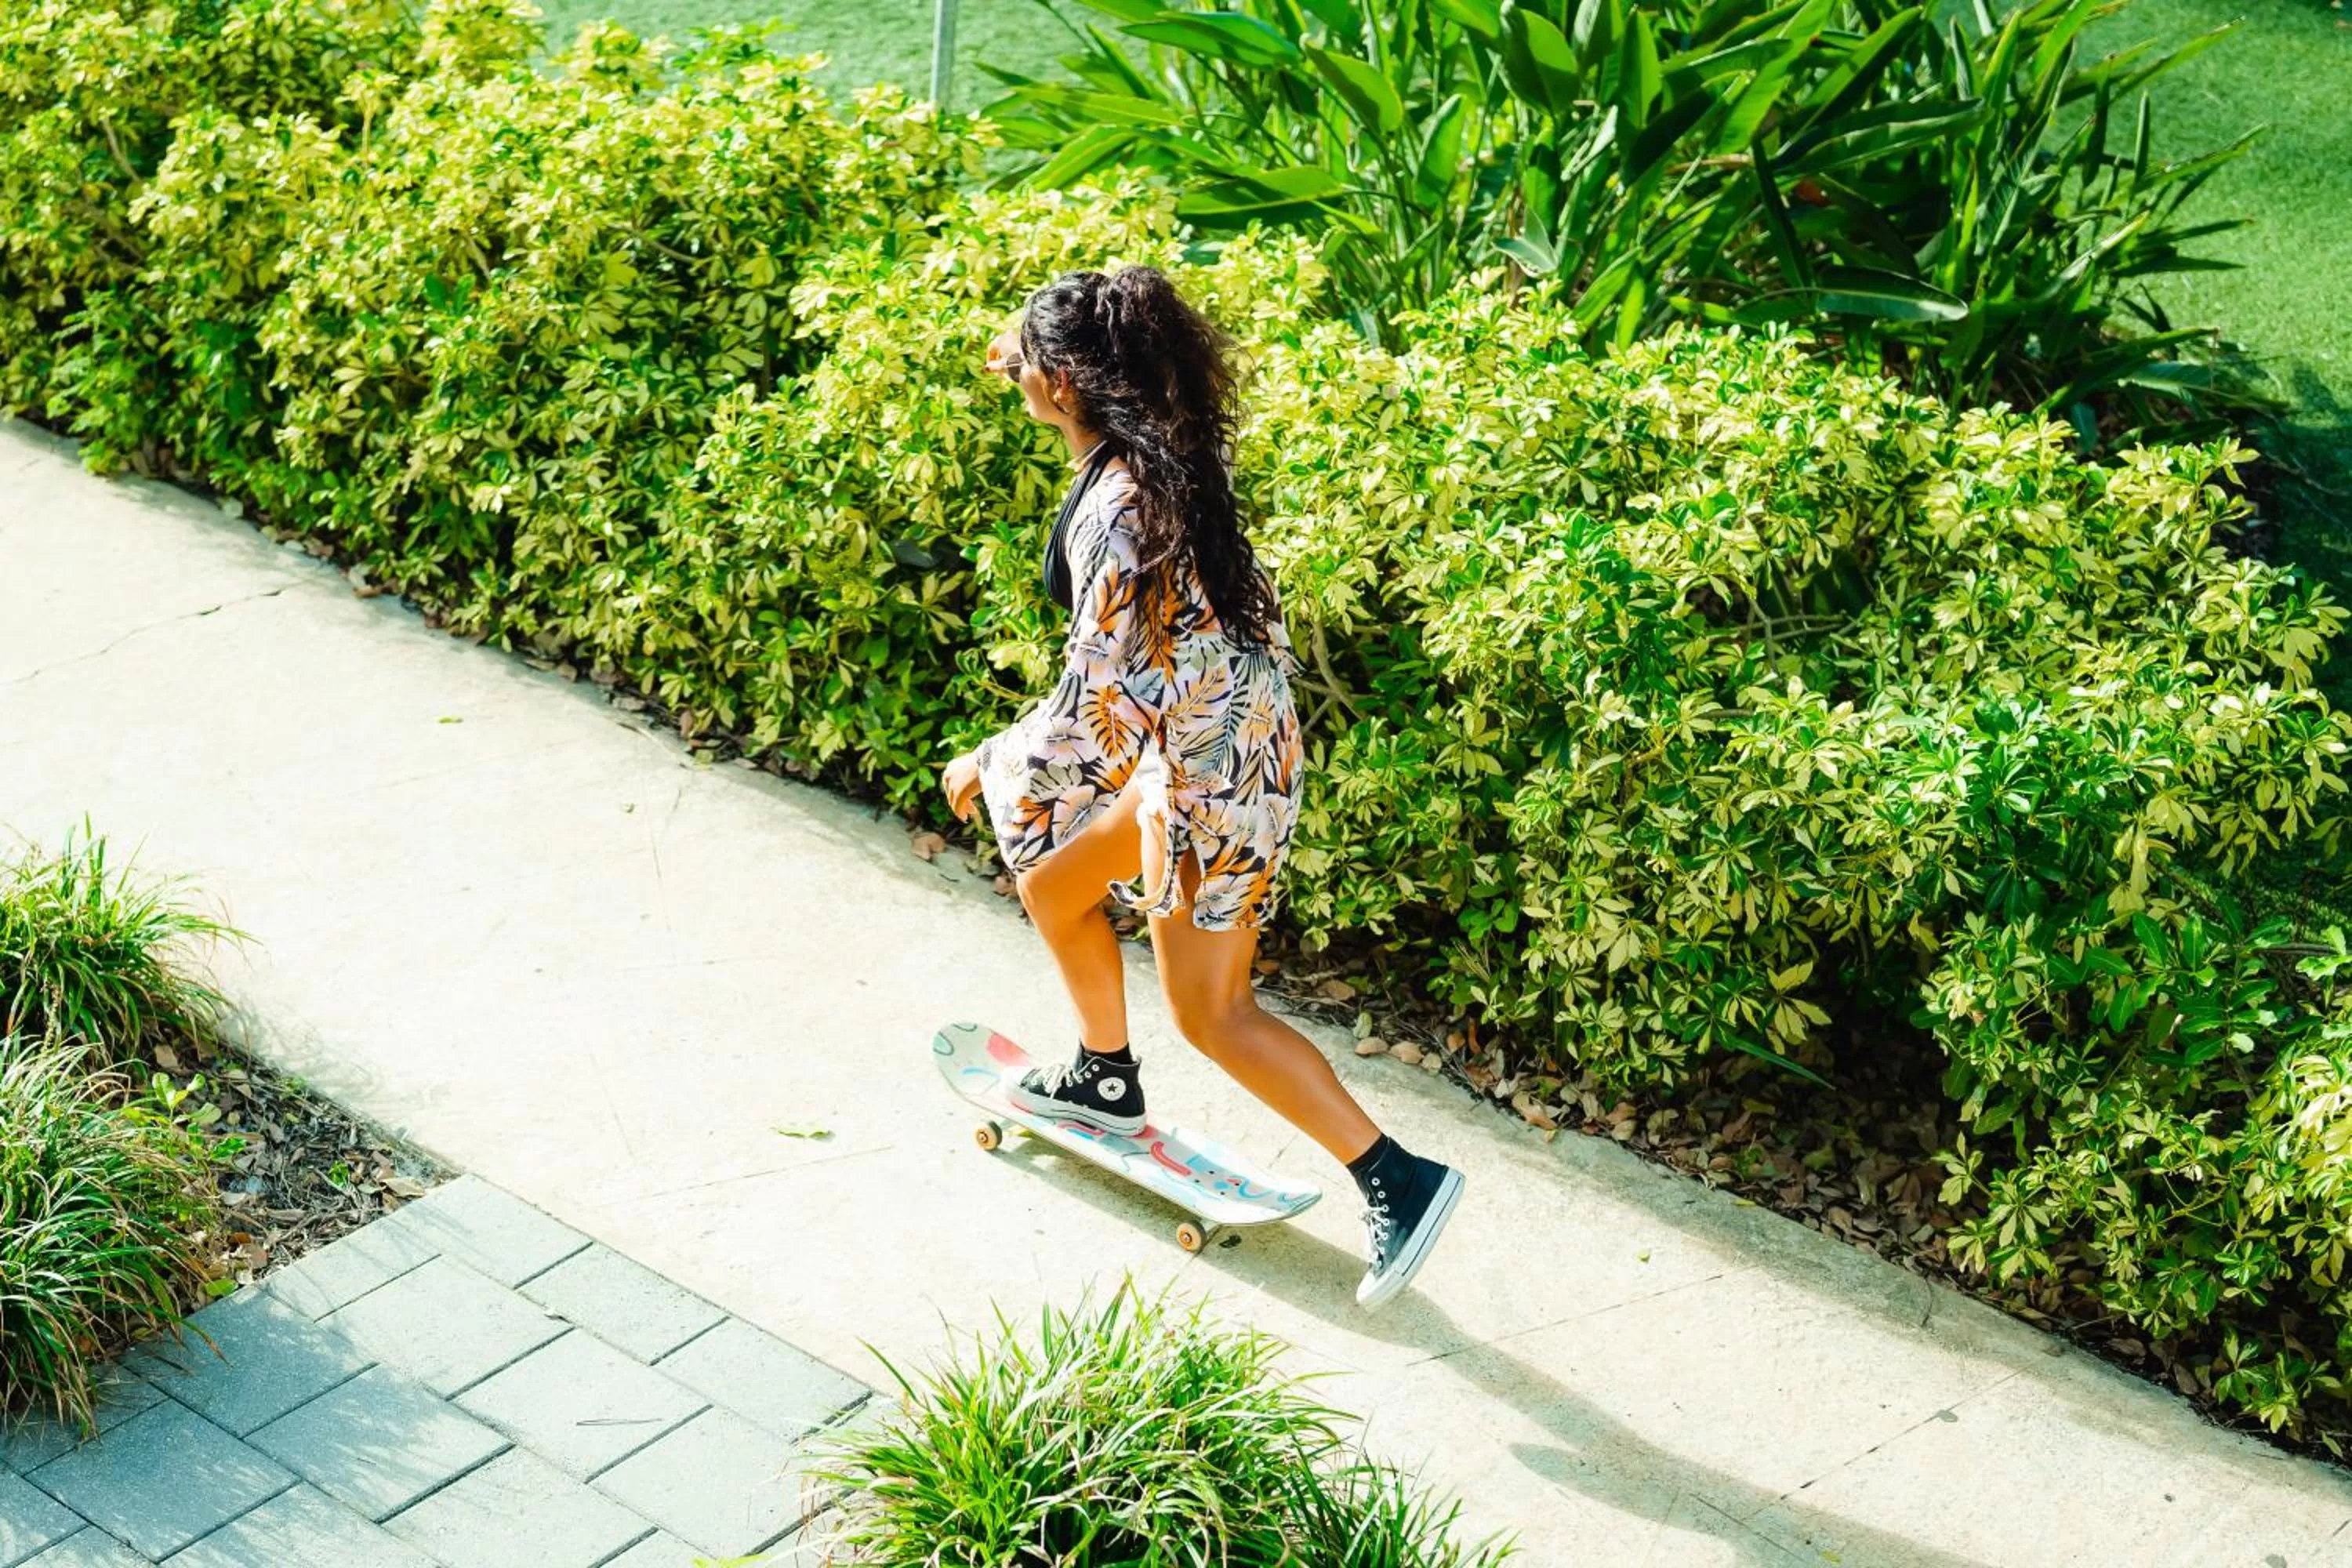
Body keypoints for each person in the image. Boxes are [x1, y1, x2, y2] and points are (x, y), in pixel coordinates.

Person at [938, 263, 1463, 1310]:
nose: (1020, 381)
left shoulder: (1118, 515)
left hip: (1209, 777)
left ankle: (1398, 1178)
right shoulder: (1169, 450)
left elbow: (1101, 700)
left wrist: (997, 756)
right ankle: (1103, 1076)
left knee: (1214, 1012)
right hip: (1221, 747)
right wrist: (1023, 352)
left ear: (1067, 390)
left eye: (1032, 372)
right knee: (1052, 882)